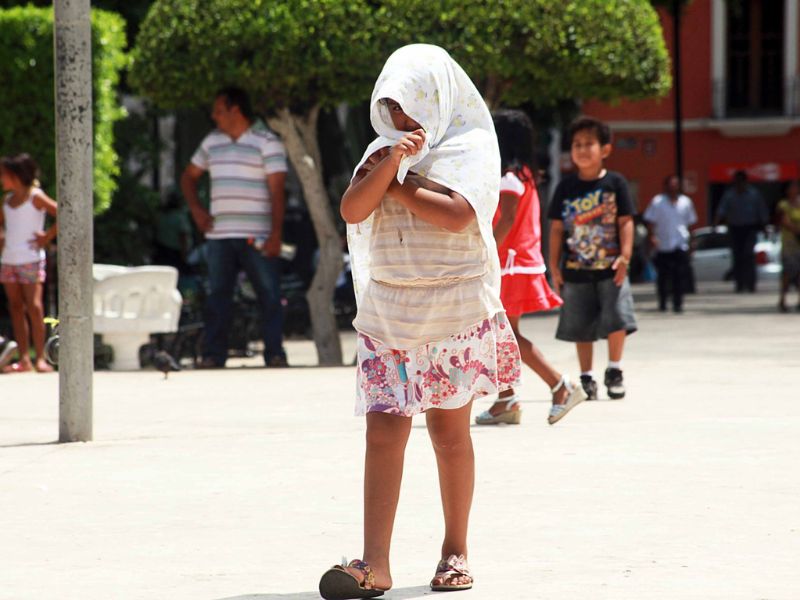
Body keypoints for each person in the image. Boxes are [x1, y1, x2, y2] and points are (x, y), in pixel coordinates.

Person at [317, 45, 521, 599]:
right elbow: (353, 209)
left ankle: (455, 550)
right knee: (383, 431)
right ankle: (375, 564)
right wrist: (388, 165)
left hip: (454, 313)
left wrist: (399, 184)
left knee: (449, 435)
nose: (402, 119)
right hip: (389, 314)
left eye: (410, 106)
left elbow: (458, 215)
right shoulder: (379, 153)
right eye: (392, 108)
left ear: (437, 99)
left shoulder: (471, 147)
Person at [475, 109, 586, 426]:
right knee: (500, 334)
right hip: (517, 262)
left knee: (504, 334)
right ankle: (506, 398)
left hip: (509, 263)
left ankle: (558, 384)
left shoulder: (509, 176)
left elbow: (508, 218)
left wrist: (485, 252)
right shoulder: (523, 174)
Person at [181, 87, 289, 368]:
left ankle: (275, 353)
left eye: (219, 110)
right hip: (219, 235)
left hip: (258, 235)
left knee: (269, 295)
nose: (213, 116)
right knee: (218, 296)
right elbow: (188, 177)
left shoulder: (267, 142)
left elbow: (278, 191)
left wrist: (276, 234)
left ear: (235, 110)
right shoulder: (211, 142)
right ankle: (213, 355)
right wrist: (197, 210)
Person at [547, 117, 638, 401]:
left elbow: (626, 221)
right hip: (575, 269)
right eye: (577, 144)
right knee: (580, 325)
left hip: (611, 268)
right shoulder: (565, 187)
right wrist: (554, 266)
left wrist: (625, 256)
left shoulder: (616, 183)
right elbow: (556, 229)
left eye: (589, 144)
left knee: (617, 318)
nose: (582, 149)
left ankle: (614, 370)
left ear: (605, 149)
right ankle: (586, 377)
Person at [0, 154, 57, 373]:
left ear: (16, 175)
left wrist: (47, 237)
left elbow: (61, 212)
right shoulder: (7, 201)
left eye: (5, 175)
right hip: (9, 259)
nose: (2, 179)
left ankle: (40, 358)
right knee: (15, 307)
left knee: (34, 306)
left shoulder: (36, 196)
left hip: (30, 259)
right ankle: (24, 358)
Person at [643, 174, 698, 313]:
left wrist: (692, 241)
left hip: (680, 243)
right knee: (663, 276)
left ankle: (678, 303)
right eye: (671, 185)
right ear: (666, 186)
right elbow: (650, 222)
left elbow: (690, 223)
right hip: (663, 244)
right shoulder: (657, 202)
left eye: (676, 185)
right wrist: (651, 237)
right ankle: (662, 302)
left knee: (679, 275)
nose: (673, 187)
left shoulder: (686, 202)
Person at [714, 170, 768, 293]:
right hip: (735, 229)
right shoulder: (729, 195)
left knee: (748, 255)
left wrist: (765, 227)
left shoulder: (754, 194)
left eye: (740, 182)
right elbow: (721, 210)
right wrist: (716, 224)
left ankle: (750, 284)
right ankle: (739, 284)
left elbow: (761, 211)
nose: (738, 184)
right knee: (737, 257)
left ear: (745, 182)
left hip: (750, 229)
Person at [153, 190, 193, 275]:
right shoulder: (180, 217)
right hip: (175, 254)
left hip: (161, 251)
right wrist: (184, 254)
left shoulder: (161, 216)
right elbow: (183, 236)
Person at [776, 180, 800, 312]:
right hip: (789, 244)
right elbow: (784, 221)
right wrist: (797, 231)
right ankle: (783, 299)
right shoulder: (783, 205)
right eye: (792, 187)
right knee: (787, 273)